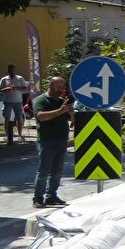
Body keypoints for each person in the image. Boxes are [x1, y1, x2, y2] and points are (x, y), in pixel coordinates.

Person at [31, 76, 74, 209]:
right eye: (58, 87)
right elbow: (41, 117)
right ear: (50, 86)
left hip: (61, 139)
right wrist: (60, 111)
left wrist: (70, 111)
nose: (60, 90)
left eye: (62, 88)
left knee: (57, 170)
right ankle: (38, 198)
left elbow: (72, 119)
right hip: (47, 140)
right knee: (44, 170)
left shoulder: (62, 101)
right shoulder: (40, 100)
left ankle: (51, 196)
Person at [0, 64, 30, 144]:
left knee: (19, 118)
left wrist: (17, 88)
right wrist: (7, 89)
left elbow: (25, 89)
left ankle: (19, 135)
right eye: (10, 70)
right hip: (7, 101)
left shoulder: (20, 78)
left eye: (13, 70)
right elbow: (0, 90)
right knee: (6, 118)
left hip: (17, 101)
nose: (12, 71)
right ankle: (7, 135)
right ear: (8, 70)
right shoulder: (4, 79)